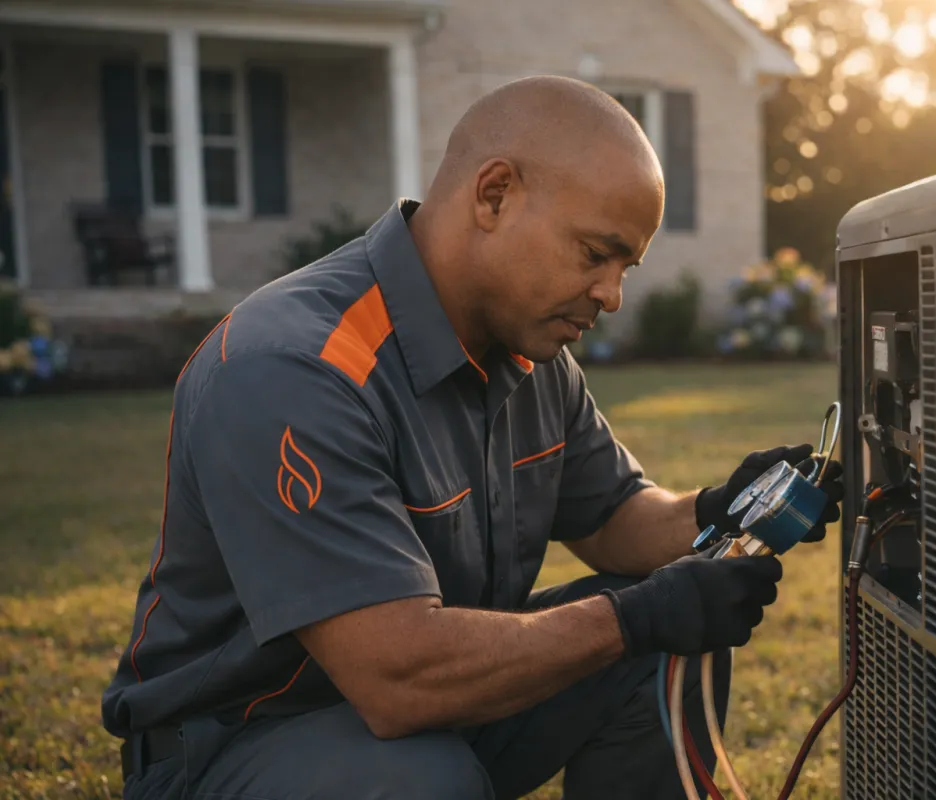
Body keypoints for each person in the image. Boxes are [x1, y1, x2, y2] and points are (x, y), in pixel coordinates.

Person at [102, 75, 843, 800]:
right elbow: (396, 677)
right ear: (494, 195)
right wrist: (635, 616)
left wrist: (719, 509)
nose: (612, 295)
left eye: (625, 267)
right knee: (423, 778)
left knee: (664, 644)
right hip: (238, 740)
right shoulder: (293, 367)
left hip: (421, 702)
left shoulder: (527, 350)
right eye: (595, 253)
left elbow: (617, 518)